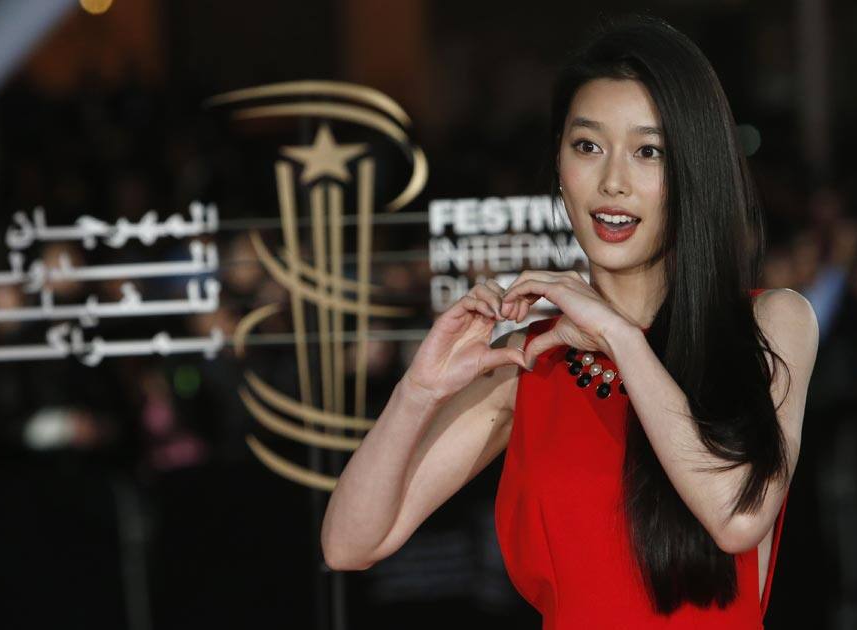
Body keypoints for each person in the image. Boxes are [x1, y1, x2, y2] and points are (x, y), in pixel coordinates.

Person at [320, 14, 820, 629]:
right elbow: (349, 543)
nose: (613, 182)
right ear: (559, 163)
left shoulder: (772, 322)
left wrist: (617, 335)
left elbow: (737, 516)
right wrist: (417, 393)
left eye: (648, 151)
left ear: (693, 168)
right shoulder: (531, 362)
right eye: (588, 146)